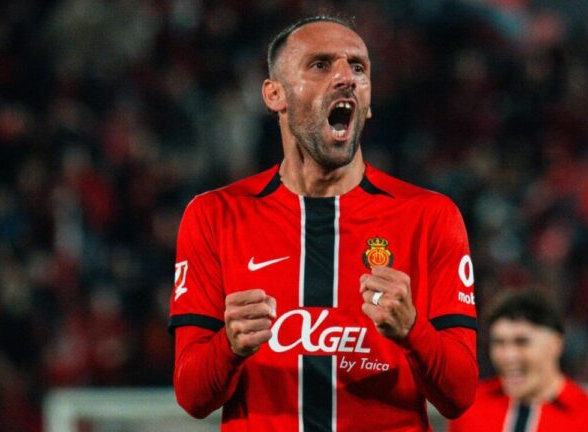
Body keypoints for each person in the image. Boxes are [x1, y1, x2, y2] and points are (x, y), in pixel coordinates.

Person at [168, 15, 479, 431]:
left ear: (367, 104)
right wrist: (229, 346)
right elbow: (192, 397)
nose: (346, 78)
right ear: (274, 94)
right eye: (320, 65)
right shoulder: (215, 215)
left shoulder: (430, 216)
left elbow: (459, 396)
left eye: (358, 67)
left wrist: (412, 331)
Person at [448, 289, 588, 432]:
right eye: (499, 343)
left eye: (521, 342)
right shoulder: (470, 407)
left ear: (555, 344)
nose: (508, 356)